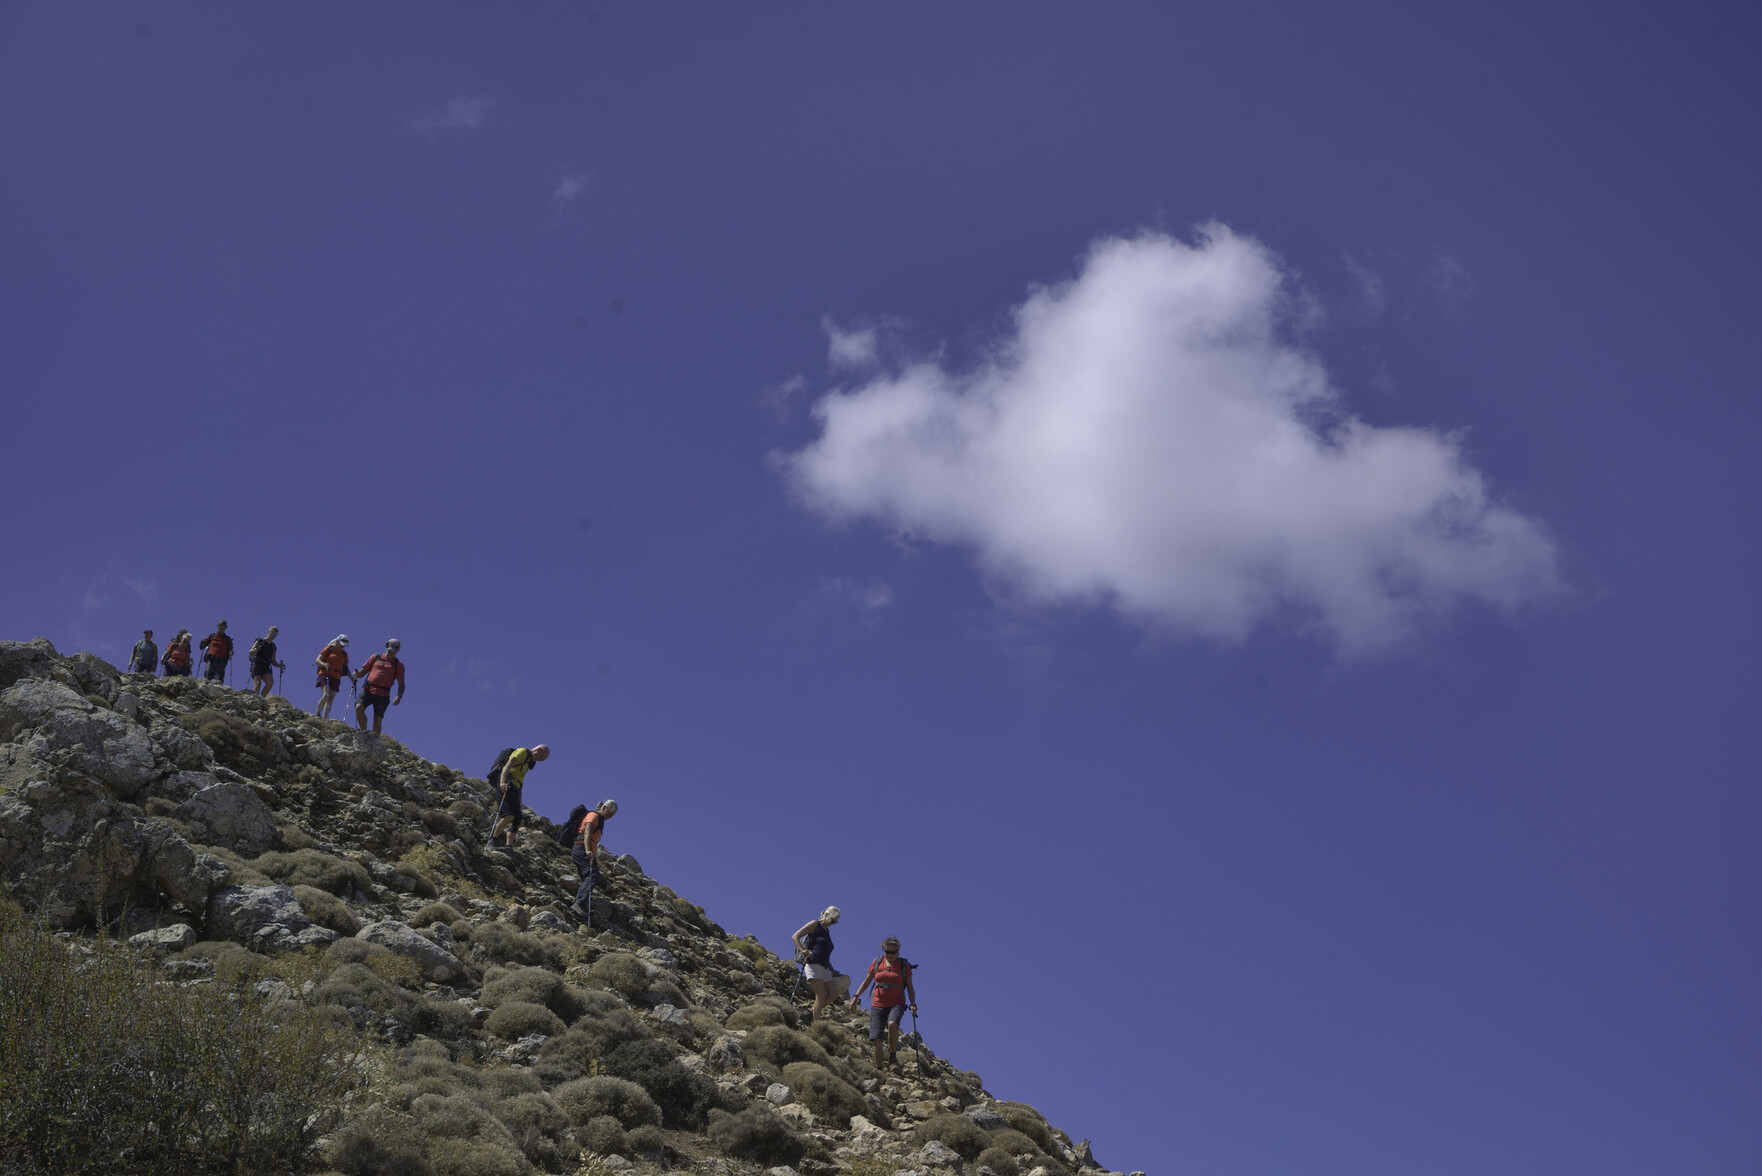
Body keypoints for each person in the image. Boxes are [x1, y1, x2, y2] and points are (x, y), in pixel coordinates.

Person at [850, 936, 917, 1068]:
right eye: (887, 952)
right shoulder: (877, 962)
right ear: (884, 951)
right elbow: (867, 981)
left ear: (898, 952)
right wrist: (856, 996)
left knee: (892, 1024)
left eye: (893, 953)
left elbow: (910, 987)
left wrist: (913, 1003)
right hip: (878, 1004)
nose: (890, 955)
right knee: (877, 1038)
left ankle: (892, 1057)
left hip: (897, 1003)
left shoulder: (903, 965)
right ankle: (879, 1069)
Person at [489, 744, 550, 847]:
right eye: (541, 757)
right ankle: (492, 840)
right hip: (507, 784)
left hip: (515, 789)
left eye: (542, 759)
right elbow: (507, 766)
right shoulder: (522, 752)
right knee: (509, 815)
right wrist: (502, 783)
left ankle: (508, 847)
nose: (540, 760)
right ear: (538, 749)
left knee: (517, 820)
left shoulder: (529, 761)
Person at [792, 907, 845, 1024]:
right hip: (813, 964)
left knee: (833, 994)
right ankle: (816, 1024)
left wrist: (832, 969)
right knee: (820, 996)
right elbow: (795, 936)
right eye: (832, 920)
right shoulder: (814, 924)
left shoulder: (827, 932)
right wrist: (802, 950)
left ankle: (810, 1013)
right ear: (826, 915)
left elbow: (825, 954)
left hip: (824, 967)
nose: (832, 923)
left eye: (834, 922)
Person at [568, 800, 619, 921]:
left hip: (583, 849)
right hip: (582, 848)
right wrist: (588, 850)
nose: (609, 818)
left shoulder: (599, 819)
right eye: (609, 814)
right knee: (593, 876)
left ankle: (581, 906)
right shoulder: (593, 815)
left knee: (589, 877)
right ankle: (579, 904)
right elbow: (587, 833)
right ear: (605, 807)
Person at [352, 638, 406, 734]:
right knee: (358, 707)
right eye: (390, 650)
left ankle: (374, 739)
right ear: (386, 647)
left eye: (393, 651)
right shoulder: (375, 657)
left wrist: (399, 696)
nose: (391, 653)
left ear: (397, 651)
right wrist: (357, 674)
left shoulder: (398, 665)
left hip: (383, 694)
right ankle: (364, 733)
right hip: (367, 689)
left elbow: (401, 683)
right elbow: (363, 671)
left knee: (378, 718)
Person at [314, 635, 350, 718]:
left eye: (344, 645)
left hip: (336, 676)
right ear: (337, 641)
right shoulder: (329, 649)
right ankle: (317, 713)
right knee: (326, 694)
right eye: (341, 644)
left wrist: (352, 679)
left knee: (331, 698)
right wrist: (323, 664)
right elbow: (317, 659)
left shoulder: (344, 654)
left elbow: (346, 668)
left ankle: (325, 716)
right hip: (325, 672)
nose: (342, 646)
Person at [248, 626, 287, 697]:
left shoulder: (273, 646)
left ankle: (261, 699)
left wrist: (279, 665)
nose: (273, 637)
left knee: (270, 683)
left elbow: (273, 661)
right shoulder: (260, 641)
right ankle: (254, 699)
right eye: (272, 634)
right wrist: (256, 649)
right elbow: (251, 652)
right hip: (257, 664)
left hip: (266, 665)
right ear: (268, 632)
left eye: (275, 635)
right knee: (257, 684)